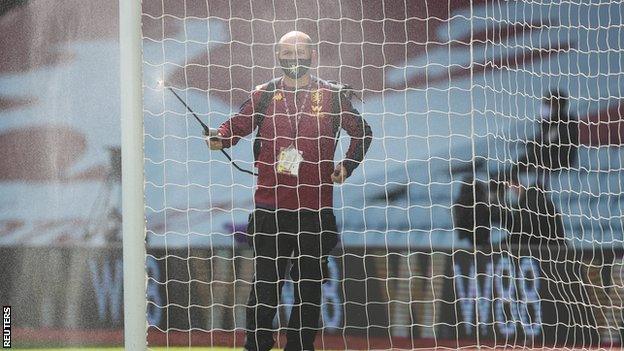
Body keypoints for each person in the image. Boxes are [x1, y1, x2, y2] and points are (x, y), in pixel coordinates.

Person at [208, 31, 372, 351]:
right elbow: (235, 126)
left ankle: (300, 347)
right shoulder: (264, 95)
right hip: (270, 211)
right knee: (265, 288)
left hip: (315, 212)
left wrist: (346, 166)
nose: (293, 57)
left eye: (300, 50)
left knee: (309, 289)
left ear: (312, 54)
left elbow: (363, 133)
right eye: (286, 51)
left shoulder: (332, 96)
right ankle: (256, 346)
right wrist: (219, 137)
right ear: (277, 55)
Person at [513, 89, 579, 186]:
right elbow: (543, 140)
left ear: (559, 106)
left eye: (550, 103)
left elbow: (563, 150)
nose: (545, 106)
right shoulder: (546, 123)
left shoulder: (567, 124)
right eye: (545, 103)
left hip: (557, 164)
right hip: (541, 160)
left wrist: (545, 164)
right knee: (517, 167)